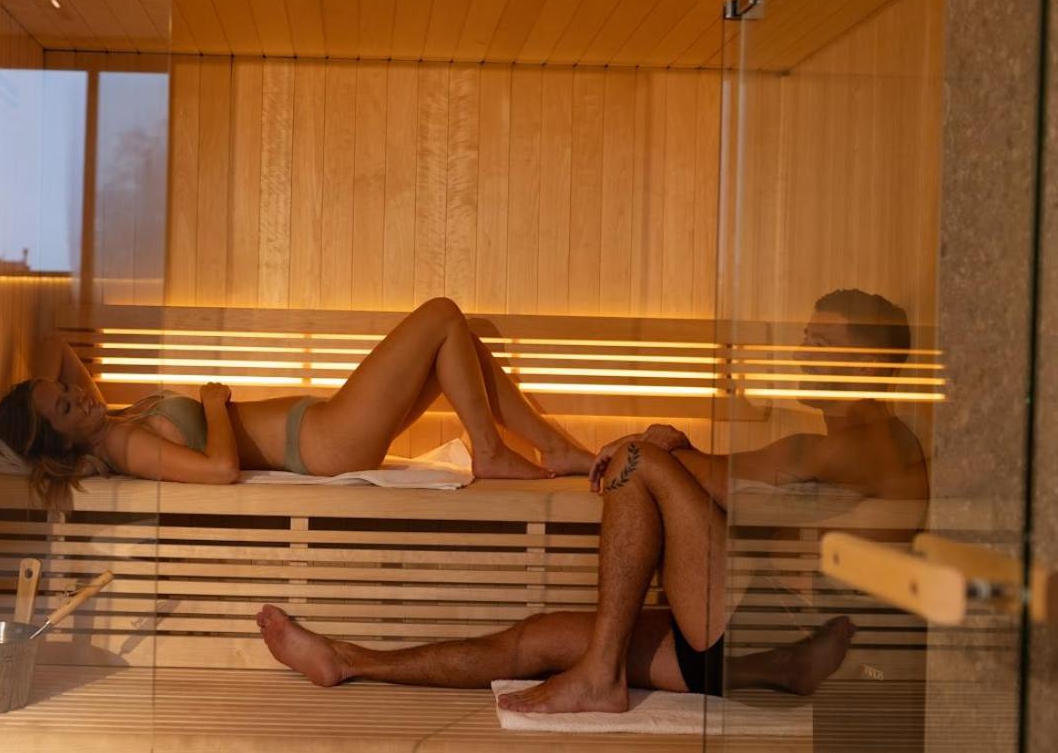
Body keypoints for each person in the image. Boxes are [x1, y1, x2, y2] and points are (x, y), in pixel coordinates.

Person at [256, 289, 929, 711]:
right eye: (806, 338)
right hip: (744, 635)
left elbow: (720, 477)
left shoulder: (875, 444)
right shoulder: (828, 444)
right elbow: (731, 475)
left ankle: (601, 675)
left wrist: (653, 449)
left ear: (870, 366)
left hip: (780, 633)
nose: (803, 354)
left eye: (821, 342)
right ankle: (347, 660)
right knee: (533, 639)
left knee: (638, 462)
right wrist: (670, 452)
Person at [0, 298, 594, 507]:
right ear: (61, 443)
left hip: (325, 428)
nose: (77, 395)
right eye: (65, 408)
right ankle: (489, 451)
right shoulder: (125, 444)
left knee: (463, 345)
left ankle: (556, 448)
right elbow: (219, 470)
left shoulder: (107, 421)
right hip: (324, 442)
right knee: (441, 315)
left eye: (66, 393)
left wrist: (40, 399)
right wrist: (212, 406)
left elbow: (54, 347)